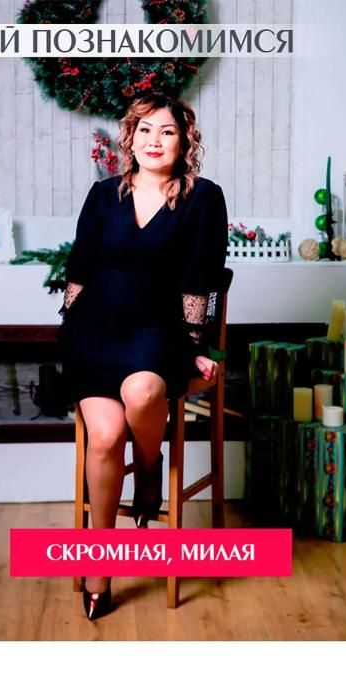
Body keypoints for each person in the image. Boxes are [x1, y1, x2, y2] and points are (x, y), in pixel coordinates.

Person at [59, 92, 228, 620]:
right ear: (130, 138)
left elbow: (203, 274)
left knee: (143, 391)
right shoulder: (102, 193)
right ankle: (99, 568)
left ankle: (150, 470)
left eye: (168, 132)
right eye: (146, 130)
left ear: (184, 141)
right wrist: (70, 329)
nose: (155, 141)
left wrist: (197, 347)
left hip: (159, 331)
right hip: (95, 330)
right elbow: (80, 266)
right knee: (106, 437)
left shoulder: (203, 197)